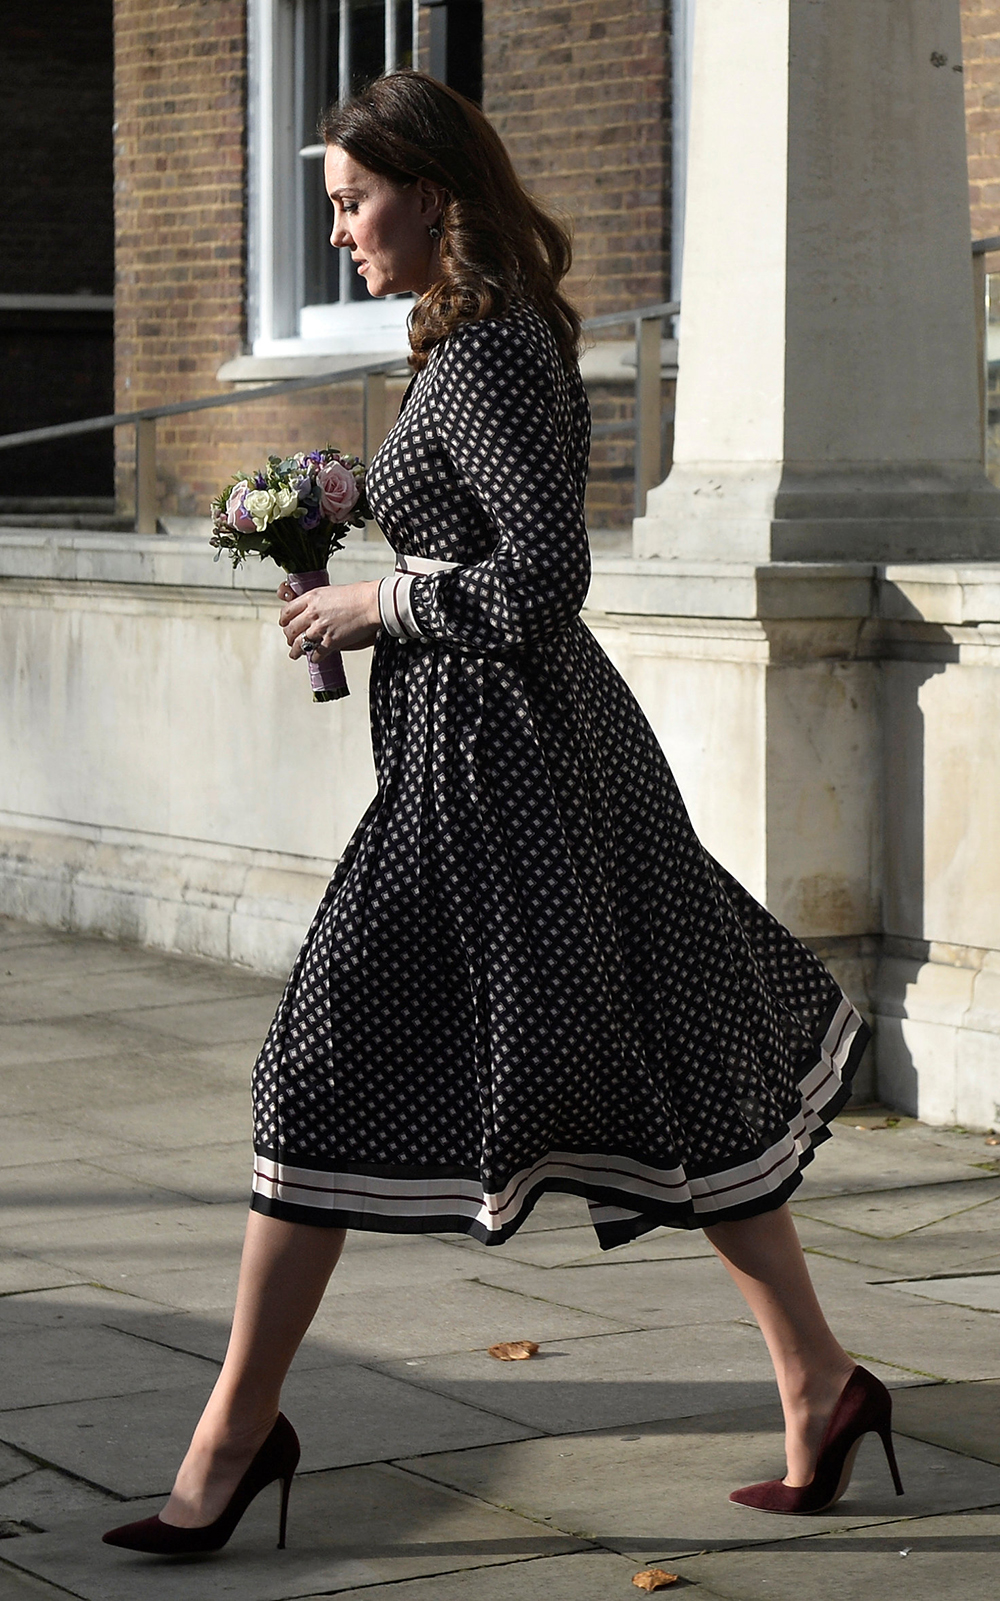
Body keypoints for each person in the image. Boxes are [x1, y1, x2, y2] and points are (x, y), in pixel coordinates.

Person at [103, 71, 902, 1556]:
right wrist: (330, 548)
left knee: (313, 1067)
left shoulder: (490, 353)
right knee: (665, 1052)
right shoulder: (474, 344)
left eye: (352, 198)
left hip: (508, 775)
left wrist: (373, 598)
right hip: (490, 765)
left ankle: (230, 1436)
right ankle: (821, 1381)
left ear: (434, 187)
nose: (339, 229)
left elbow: (545, 582)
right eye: (332, 204)